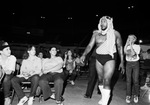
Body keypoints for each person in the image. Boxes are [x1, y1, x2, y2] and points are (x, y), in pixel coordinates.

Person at [80, 16, 124, 105]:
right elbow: (89, 46)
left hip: (110, 58)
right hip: (98, 58)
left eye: (104, 21)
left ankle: (104, 102)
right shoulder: (96, 34)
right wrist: (84, 54)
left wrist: (122, 62)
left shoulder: (115, 34)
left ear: (109, 23)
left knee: (107, 80)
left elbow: (120, 47)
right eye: (101, 22)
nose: (102, 23)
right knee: (100, 80)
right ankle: (104, 98)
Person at [124, 35, 141, 103]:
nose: (129, 39)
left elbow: (134, 53)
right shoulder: (127, 46)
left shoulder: (137, 46)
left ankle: (136, 95)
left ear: (134, 39)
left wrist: (130, 45)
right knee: (128, 80)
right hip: (128, 64)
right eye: (128, 38)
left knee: (136, 80)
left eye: (131, 38)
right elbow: (125, 52)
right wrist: (126, 44)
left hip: (135, 64)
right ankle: (128, 95)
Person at [0, 40, 17, 105]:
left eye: (9, 49)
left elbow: (9, 72)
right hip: (1, 75)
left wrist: (1, 70)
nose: (9, 51)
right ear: (1, 51)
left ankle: (7, 98)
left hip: (9, 76)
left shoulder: (12, 58)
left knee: (6, 78)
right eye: (7, 49)